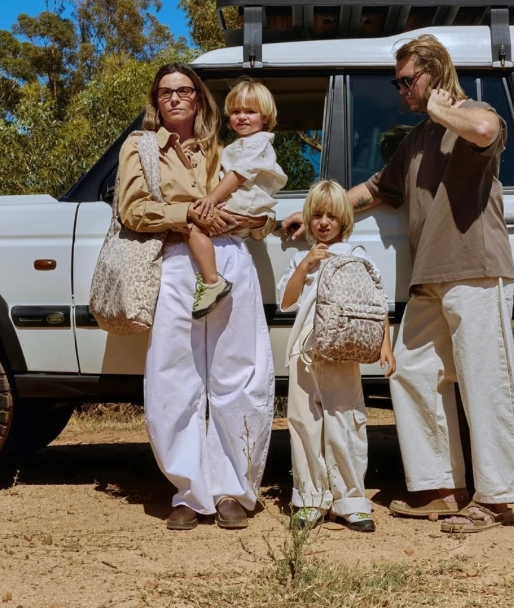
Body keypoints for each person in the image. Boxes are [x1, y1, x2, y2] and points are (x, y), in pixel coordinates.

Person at [283, 35, 514, 534]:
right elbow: (372, 190)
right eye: (398, 82)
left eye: (407, 80)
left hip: (476, 269)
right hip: (429, 276)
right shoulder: (414, 142)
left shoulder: (472, 114)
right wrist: (317, 215)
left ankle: (495, 498)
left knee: (485, 381)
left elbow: (483, 129)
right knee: (410, 372)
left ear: (434, 74)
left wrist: (440, 109)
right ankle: (441, 488)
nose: (400, 91)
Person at [117, 62, 277, 531]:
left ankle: (232, 488)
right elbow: (133, 209)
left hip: (232, 257)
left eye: (184, 90)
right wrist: (192, 213)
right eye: (166, 92)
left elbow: (258, 199)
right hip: (175, 261)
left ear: (198, 97)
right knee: (175, 375)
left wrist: (253, 223)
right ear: (156, 99)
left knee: (238, 373)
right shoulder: (140, 147)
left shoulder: (223, 148)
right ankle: (188, 490)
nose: (175, 98)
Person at [275, 180, 396, 533]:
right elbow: (286, 302)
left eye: (332, 215)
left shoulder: (357, 254)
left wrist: (384, 345)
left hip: (343, 354)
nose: (324, 222)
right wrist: (305, 265)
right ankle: (310, 500)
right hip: (305, 352)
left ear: (344, 219)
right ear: (308, 220)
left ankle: (351, 501)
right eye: (317, 216)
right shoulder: (301, 257)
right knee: (304, 425)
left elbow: (376, 305)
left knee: (346, 423)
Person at [187, 80, 288, 318]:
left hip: (246, 203)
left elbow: (238, 174)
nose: (242, 117)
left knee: (191, 226)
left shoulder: (259, 142)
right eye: (235, 112)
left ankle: (212, 282)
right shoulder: (241, 143)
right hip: (244, 205)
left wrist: (211, 198)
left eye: (250, 112)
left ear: (265, 117)